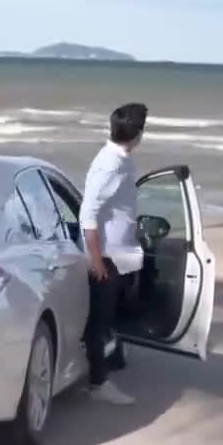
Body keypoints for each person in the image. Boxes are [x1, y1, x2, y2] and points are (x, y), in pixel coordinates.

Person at [78, 102, 148, 405]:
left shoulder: (119, 159)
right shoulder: (112, 165)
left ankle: (108, 363)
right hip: (105, 256)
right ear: (138, 134)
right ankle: (98, 383)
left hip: (117, 255)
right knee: (99, 321)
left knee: (110, 317)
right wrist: (96, 261)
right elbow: (88, 214)